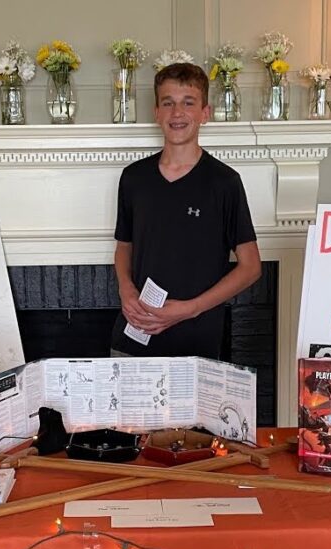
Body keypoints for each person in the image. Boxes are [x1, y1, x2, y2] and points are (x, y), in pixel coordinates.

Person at [110, 63, 261, 360]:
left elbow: (251, 266)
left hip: (197, 342)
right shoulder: (133, 178)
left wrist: (190, 309)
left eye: (188, 103)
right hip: (134, 337)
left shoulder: (225, 183)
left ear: (205, 112)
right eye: (168, 103)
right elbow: (123, 246)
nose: (177, 113)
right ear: (156, 112)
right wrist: (126, 291)